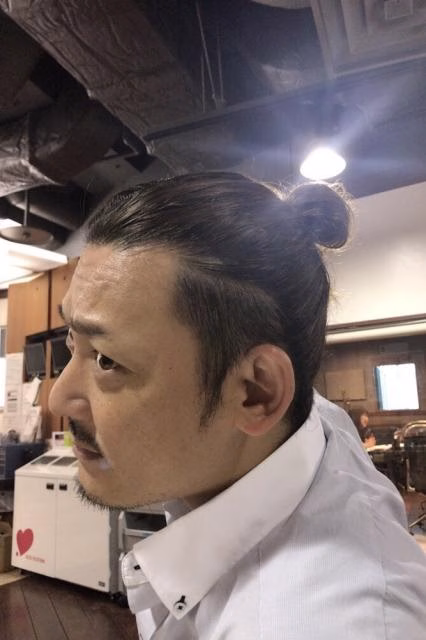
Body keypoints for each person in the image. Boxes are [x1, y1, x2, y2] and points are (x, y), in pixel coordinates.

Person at [48, 172, 426, 639]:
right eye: (73, 341)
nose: (59, 397)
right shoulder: (303, 426)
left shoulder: (317, 624)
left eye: (108, 360)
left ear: (255, 393)